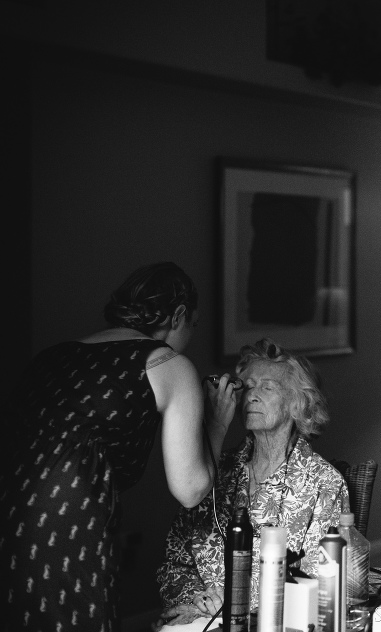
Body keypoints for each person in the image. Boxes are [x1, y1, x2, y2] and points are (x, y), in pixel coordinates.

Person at [0, 261, 236, 631]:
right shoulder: (168, 363)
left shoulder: (52, 356)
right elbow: (189, 490)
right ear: (177, 316)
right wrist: (217, 426)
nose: (191, 333)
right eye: (193, 323)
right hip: (68, 525)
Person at [157, 337, 350, 626]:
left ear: (299, 402)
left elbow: (322, 584)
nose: (251, 396)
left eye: (267, 387)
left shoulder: (324, 484)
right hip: (199, 620)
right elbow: (174, 562)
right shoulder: (212, 472)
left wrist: (235, 600)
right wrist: (196, 598)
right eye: (246, 387)